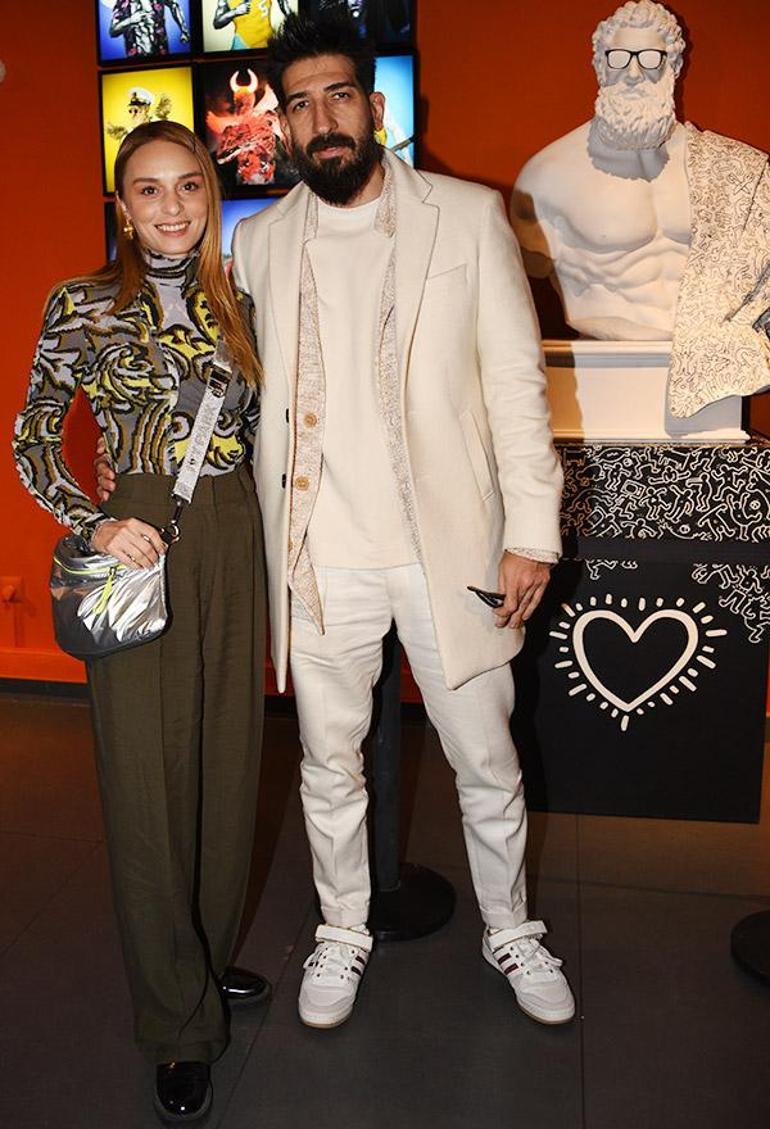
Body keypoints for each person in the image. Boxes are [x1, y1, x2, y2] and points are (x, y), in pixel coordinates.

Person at [99, 11, 576, 1030]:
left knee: (487, 759)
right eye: (299, 104)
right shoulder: (259, 242)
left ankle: (511, 928)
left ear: (375, 106)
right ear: (279, 122)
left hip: (453, 546)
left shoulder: (467, 216)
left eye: (338, 96)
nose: (320, 120)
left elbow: (514, 384)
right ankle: (342, 927)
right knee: (328, 764)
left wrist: (531, 532)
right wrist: (124, 450)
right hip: (318, 554)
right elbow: (213, 375)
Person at [14, 121, 268, 1125]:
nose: (170, 206)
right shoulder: (80, 303)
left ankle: (199, 961)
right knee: (144, 783)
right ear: (122, 207)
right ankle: (175, 1021)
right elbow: (34, 438)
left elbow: (267, 432)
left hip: (233, 533)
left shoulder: (240, 303)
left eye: (188, 186)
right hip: (138, 538)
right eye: (149, 190)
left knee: (227, 764)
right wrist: (95, 517)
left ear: (211, 195)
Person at [511, 0, 770, 418]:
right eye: (619, 57)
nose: (633, 73)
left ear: (675, 66)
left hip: (716, 379)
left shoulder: (731, 171)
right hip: (601, 373)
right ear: (600, 65)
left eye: (651, 58)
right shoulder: (547, 177)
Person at [109, 0, 190, 57]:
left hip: (161, 53)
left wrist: (184, 31)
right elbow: (112, 31)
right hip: (136, 59)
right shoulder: (122, 2)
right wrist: (130, 20)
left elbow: (174, 5)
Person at [212, 0, 291, 50]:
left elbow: (286, 8)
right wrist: (235, 11)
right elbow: (217, 23)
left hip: (268, 42)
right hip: (244, 43)